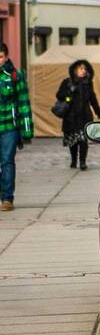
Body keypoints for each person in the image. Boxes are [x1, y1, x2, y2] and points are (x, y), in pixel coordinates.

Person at [0, 44, 33, 211]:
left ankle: (7, 198)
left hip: (9, 126)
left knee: (6, 161)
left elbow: (24, 103)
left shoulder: (15, 76)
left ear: (6, 57)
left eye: (0, 57)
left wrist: (27, 130)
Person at [56, 60, 100, 171]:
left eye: (85, 69)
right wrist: (69, 93)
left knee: (83, 140)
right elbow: (59, 95)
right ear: (75, 70)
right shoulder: (67, 82)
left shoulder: (88, 83)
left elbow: (92, 98)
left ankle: (82, 162)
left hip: (84, 116)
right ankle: (73, 160)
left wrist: (98, 111)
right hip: (70, 117)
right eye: (81, 69)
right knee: (72, 141)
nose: (83, 71)